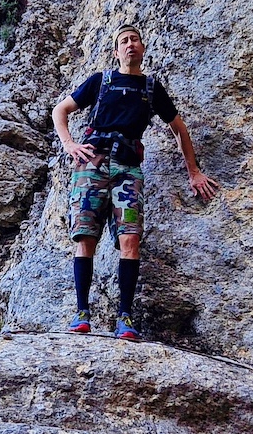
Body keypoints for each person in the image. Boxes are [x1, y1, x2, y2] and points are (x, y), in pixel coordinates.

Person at [51, 23, 217, 340]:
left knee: (130, 239)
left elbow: (179, 129)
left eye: (135, 40)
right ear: (117, 51)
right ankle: (81, 312)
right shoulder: (102, 81)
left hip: (128, 168)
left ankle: (125, 317)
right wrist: (69, 144)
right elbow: (62, 110)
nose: (130, 44)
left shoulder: (151, 89)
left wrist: (193, 171)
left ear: (142, 49)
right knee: (85, 236)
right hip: (92, 163)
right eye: (124, 41)